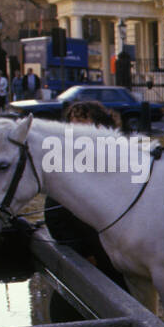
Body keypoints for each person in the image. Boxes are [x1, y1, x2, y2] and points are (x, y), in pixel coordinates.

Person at [43, 100, 131, 315]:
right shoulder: (64, 161)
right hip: (86, 248)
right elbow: (54, 214)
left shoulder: (116, 155)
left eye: (83, 122)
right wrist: (82, 251)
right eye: (73, 124)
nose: (77, 129)